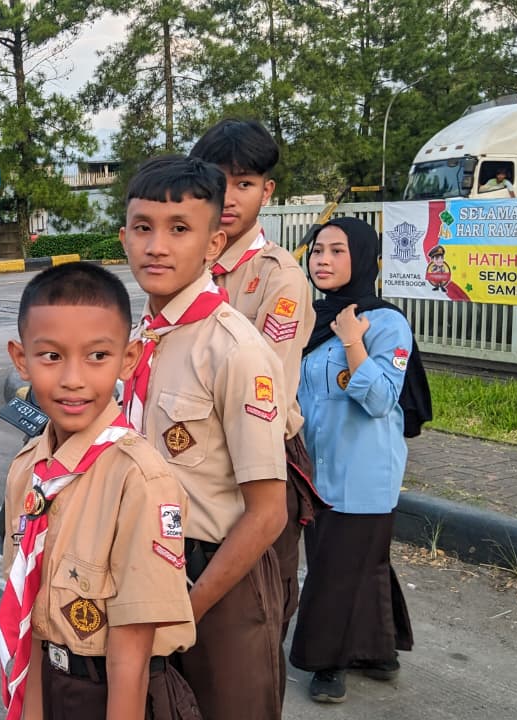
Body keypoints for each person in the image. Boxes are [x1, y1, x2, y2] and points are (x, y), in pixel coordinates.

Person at [119, 155, 288, 720]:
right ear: (124, 238)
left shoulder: (235, 351)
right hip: (142, 568)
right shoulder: (139, 338)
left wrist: (185, 610)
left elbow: (268, 513)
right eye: (143, 227)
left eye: (179, 229)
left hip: (216, 578)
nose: (157, 247)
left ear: (214, 244)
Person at [0, 262, 199, 720]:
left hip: (115, 696)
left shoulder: (140, 481)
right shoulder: (27, 469)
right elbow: (29, 619)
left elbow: (131, 657)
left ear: (128, 359)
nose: (73, 378)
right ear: (21, 359)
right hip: (51, 682)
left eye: (97, 356)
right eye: (51, 356)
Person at [189, 119, 322, 654]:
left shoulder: (278, 276)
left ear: (267, 191)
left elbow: (266, 387)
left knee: (254, 613)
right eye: (217, 181)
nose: (228, 196)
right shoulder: (186, 261)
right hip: (191, 455)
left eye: (243, 183)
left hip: (257, 454)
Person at [290, 217, 420, 703]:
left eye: (337, 251)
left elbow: (382, 399)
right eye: (317, 250)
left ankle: (328, 661)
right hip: (316, 465)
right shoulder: (310, 319)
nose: (322, 260)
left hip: (364, 470)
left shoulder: (386, 323)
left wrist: (352, 341)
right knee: (359, 562)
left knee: (336, 568)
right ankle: (378, 649)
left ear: (362, 258)